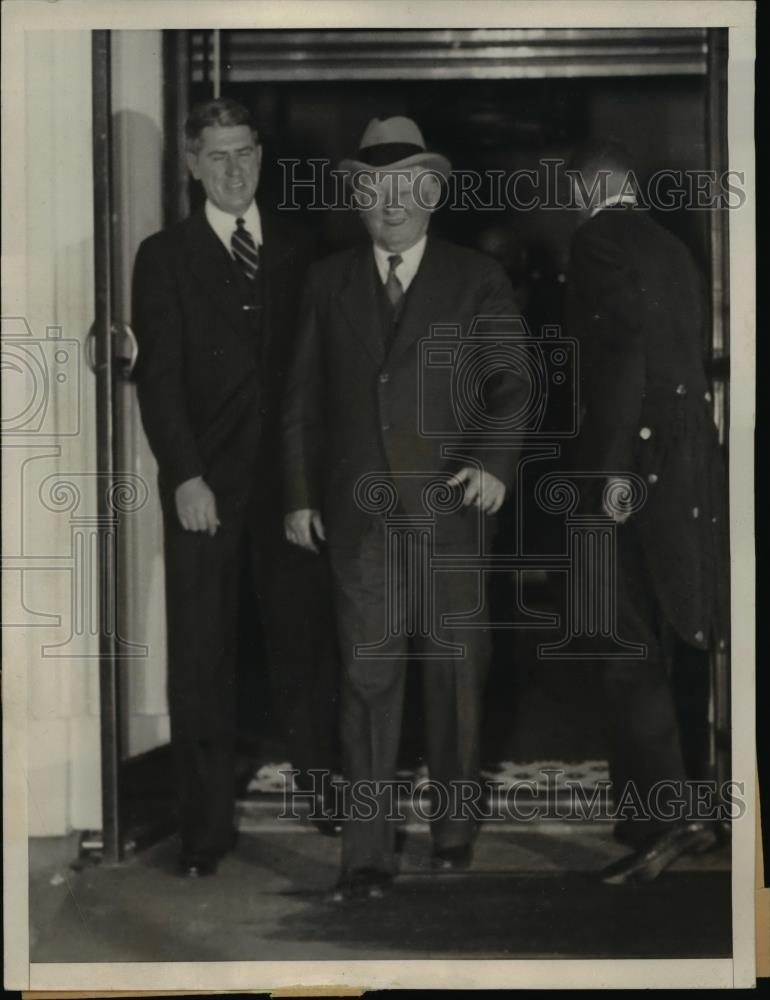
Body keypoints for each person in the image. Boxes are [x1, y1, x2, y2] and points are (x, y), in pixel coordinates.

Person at [283, 116, 528, 901]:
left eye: (404, 186)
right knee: (366, 680)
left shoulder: (475, 277)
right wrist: (299, 495)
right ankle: (366, 855)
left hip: (451, 510)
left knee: (456, 676)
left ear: (431, 192)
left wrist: (491, 461)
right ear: (356, 198)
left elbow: (513, 381)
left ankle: (453, 831)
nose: (389, 202)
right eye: (372, 188)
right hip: (359, 520)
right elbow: (300, 402)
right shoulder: (326, 281)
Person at [132, 98, 338, 878]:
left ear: (260, 156)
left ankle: (324, 793)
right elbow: (159, 382)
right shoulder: (164, 256)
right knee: (202, 660)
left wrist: (312, 484)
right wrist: (184, 475)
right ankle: (204, 832)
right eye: (216, 155)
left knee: (305, 645)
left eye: (244, 152)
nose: (233, 168)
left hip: (290, 490)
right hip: (205, 490)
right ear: (192, 165)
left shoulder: (302, 247)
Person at [566, 139, 729, 885]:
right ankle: (677, 809)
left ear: (586, 193)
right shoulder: (674, 248)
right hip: (682, 467)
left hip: (629, 469)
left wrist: (607, 473)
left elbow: (619, 359)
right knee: (671, 634)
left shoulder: (598, 240)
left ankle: (663, 823)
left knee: (621, 640)